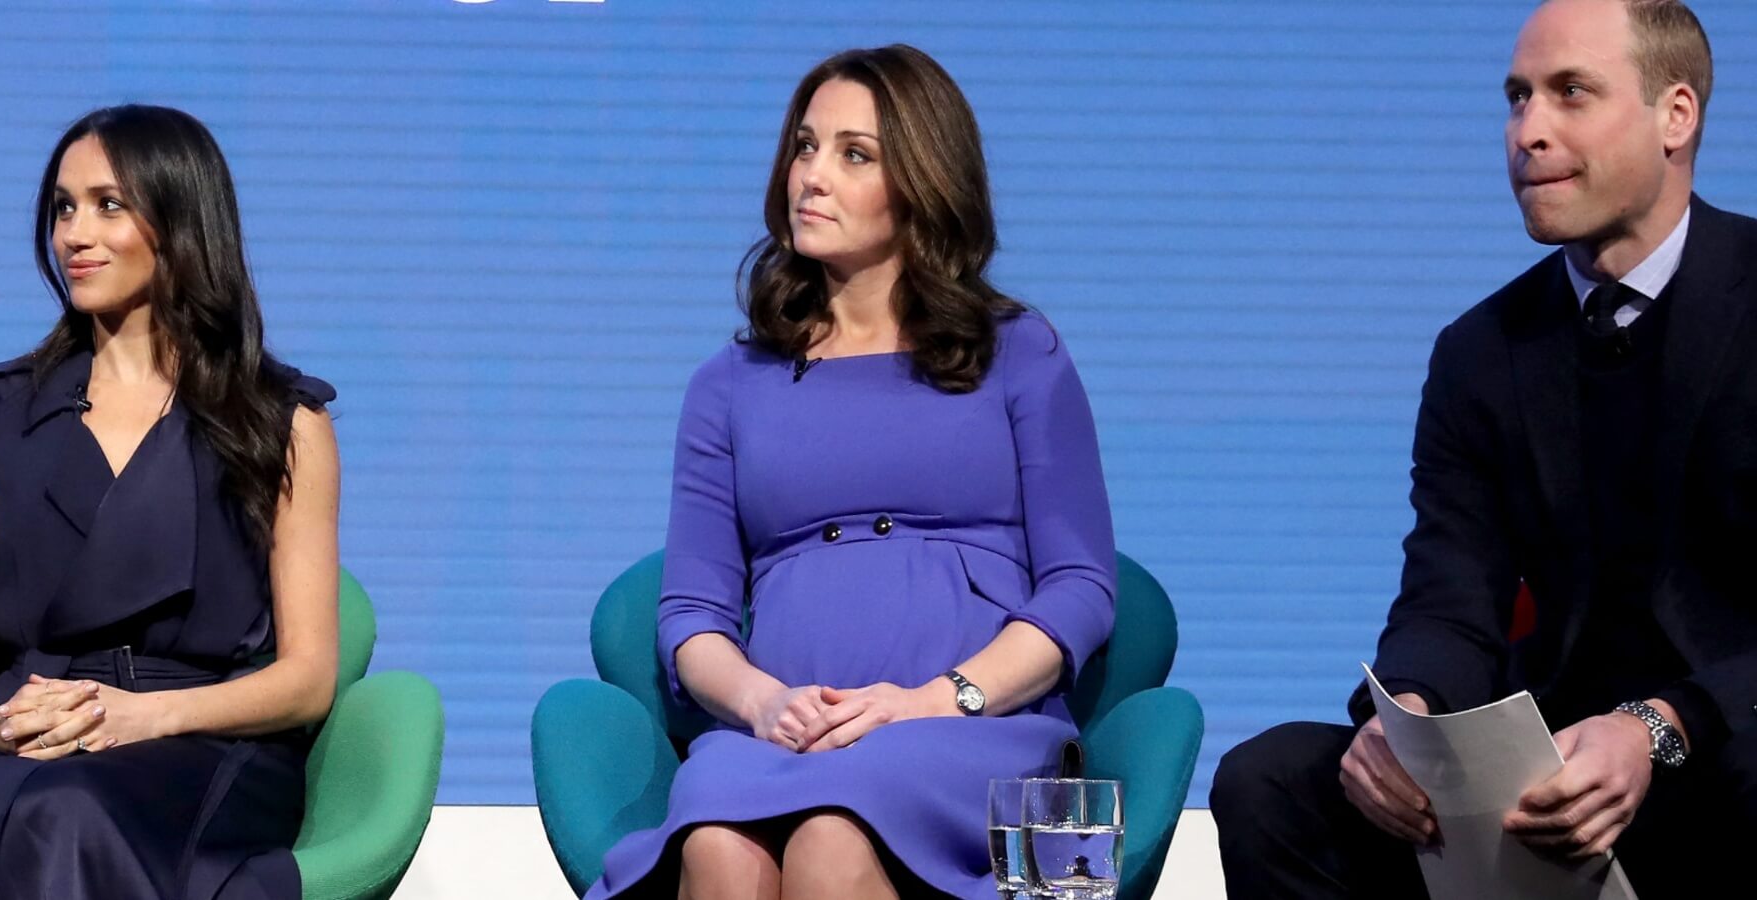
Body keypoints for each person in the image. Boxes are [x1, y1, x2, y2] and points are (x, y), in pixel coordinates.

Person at [1209, 1, 1757, 896]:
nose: (1528, 132)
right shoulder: (1481, 352)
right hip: (1548, 775)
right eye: (1517, 98)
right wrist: (1405, 718)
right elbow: (1451, 593)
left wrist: (1661, 725)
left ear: (1677, 115)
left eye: (1570, 93)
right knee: (1269, 782)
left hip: (1725, 744)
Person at [585, 45, 1116, 900]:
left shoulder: (1020, 355)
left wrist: (939, 699)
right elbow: (690, 616)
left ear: (923, 182)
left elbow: (1081, 588)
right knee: (719, 847)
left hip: (978, 736)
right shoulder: (729, 385)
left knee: (832, 842)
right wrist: (762, 704)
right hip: (781, 741)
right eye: (804, 146)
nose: (812, 177)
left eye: (853, 154)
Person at [0, 105, 341, 900]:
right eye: (62, 207)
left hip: (200, 739)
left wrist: (140, 716)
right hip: (33, 734)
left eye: (108, 204)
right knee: (28, 805)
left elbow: (307, 678)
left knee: (65, 813)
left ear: (181, 219)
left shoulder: (283, 423)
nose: (73, 234)